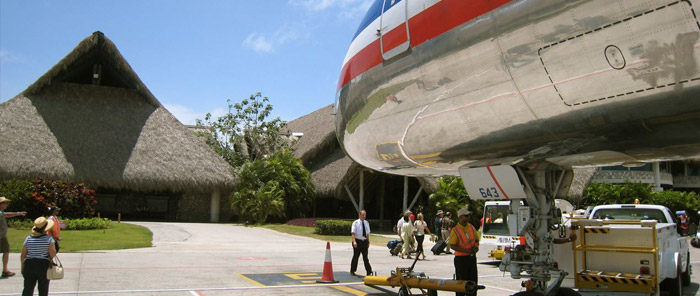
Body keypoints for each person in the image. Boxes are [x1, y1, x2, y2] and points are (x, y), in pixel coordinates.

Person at [21, 217, 57, 296]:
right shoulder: (49, 239)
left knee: (27, 289)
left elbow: (23, 255)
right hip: (43, 265)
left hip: (29, 264)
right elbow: (52, 254)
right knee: (43, 289)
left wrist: (22, 266)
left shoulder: (28, 238)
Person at [449, 207, 480, 296]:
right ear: (460, 217)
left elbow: (476, 240)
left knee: (473, 282)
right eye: (466, 216)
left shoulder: (471, 227)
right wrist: (466, 250)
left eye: (469, 216)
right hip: (461, 259)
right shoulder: (455, 230)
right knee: (461, 283)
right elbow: (452, 245)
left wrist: (475, 247)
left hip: (471, 258)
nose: (468, 218)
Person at [0, 196, 27, 277]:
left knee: (6, 251)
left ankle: (5, 270)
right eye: (5, 203)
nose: (6, 205)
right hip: (1, 237)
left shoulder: (1, 213)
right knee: (6, 251)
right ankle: (5, 270)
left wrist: (18, 213)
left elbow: (6, 214)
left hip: (2, 236)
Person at [350, 210, 372, 276]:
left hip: (364, 242)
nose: (364, 216)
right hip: (357, 241)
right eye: (362, 215)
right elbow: (353, 233)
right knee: (356, 257)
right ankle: (352, 270)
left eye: (365, 215)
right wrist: (354, 241)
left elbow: (367, 233)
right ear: (359, 215)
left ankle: (369, 271)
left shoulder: (366, 223)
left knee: (365, 257)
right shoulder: (355, 223)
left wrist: (368, 241)